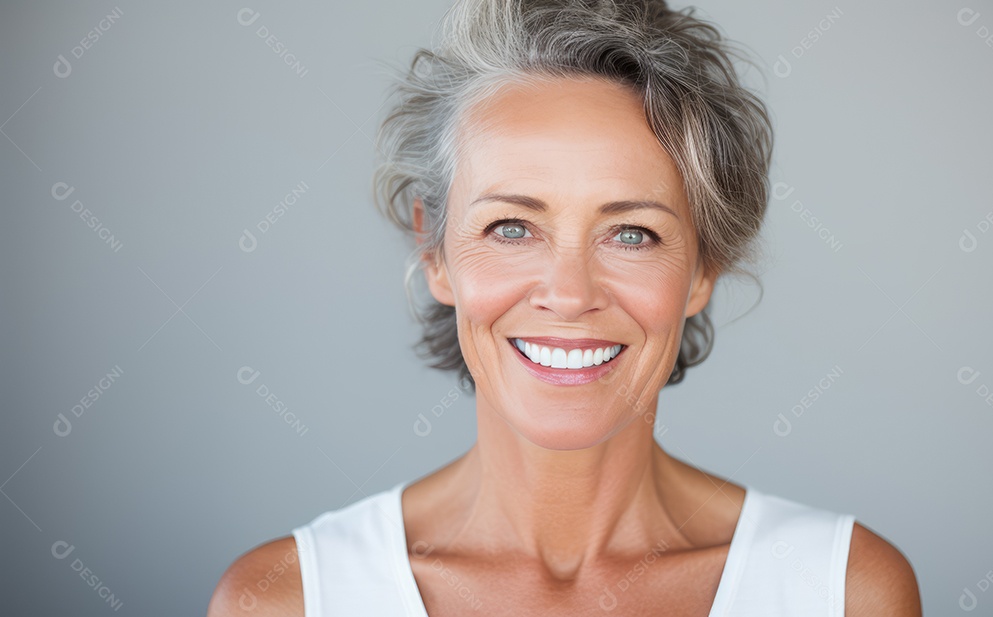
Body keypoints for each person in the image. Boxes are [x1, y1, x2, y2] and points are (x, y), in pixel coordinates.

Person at [209, 0, 921, 614]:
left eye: (632, 234)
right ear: (434, 252)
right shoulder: (283, 599)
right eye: (511, 228)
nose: (571, 294)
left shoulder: (843, 592)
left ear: (704, 268)